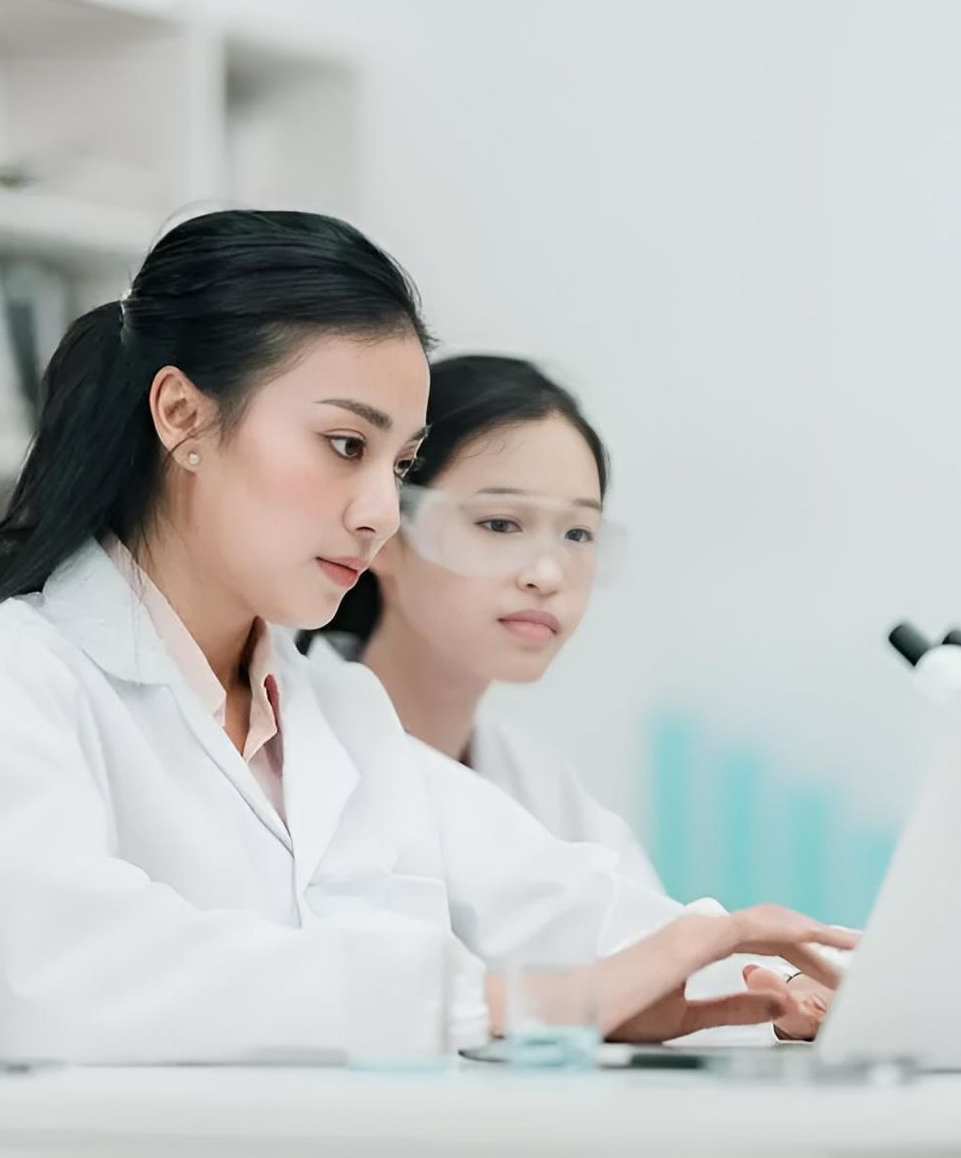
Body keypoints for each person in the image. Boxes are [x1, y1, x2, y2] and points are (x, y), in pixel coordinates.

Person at [0, 211, 853, 1064]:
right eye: (346, 445)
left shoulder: (337, 711)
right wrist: (516, 1003)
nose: (382, 509)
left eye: (402, 461)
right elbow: (46, 983)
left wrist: (773, 988)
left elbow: (567, 905)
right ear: (183, 415)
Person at [302, 354, 833, 1039]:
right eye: (500, 523)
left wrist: (786, 996)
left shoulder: (538, 780)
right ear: (386, 532)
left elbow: (654, 942)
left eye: (579, 533)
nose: (548, 573)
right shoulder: (293, 732)